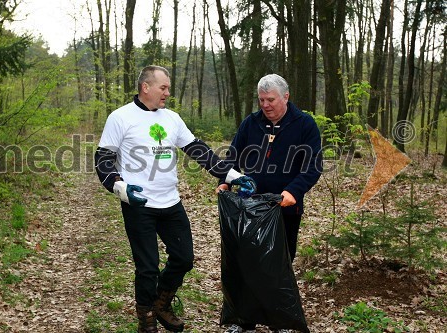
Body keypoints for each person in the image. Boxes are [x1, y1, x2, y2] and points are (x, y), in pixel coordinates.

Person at [95, 65, 256, 333]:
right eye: (163, 87)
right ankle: (146, 320)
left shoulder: (172, 118)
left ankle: (161, 302)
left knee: (184, 258)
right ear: (146, 87)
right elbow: (103, 160)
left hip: (170, 202)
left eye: (168, 88)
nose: (168, 93)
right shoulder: (120, 117)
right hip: (138, 205)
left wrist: (232, 176)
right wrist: (120, 188)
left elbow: (199, 151)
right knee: (147, 267)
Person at [216, 74, 322, 333]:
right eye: (261, 99)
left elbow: (313, 166)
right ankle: (244, 320)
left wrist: (293, 191)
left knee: (278, 265)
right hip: (248, 207)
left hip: (284, 208)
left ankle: (279, 321)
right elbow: (232, 157)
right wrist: (225, 180)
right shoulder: (250, 124)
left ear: (286, 97)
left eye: (270, 99)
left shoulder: (304, 124)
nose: (265, 105)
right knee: (245, 262)